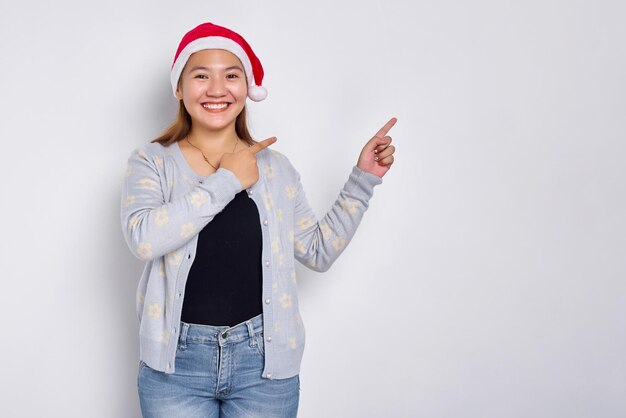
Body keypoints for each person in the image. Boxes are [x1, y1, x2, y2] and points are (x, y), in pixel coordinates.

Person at [121, 22, 397, 417]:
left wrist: (363, 179)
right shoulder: (151, 162)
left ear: (246, 88)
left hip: (264, 366)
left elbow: (317, 251)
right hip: (175, 366)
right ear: (179, 88)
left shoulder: (276, 169)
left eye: (231, 75)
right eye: (201, 75)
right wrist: (227, 180)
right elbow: (143, 239)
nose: (217, 88)